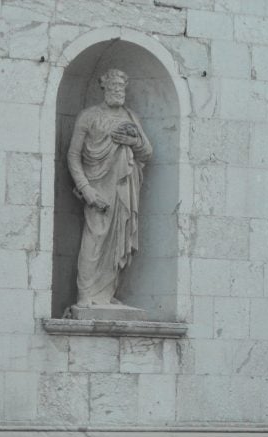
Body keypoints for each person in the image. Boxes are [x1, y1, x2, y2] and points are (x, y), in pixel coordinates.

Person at [67, 69, 153, 308]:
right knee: (95, 238)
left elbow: (148, 152)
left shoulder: (131, 117)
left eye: (121, 88)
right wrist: (86, 189)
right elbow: (73, 155)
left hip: (126, 188)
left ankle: (105, 295)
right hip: (98, 187)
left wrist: (133, 141)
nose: (118, 92)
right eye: (113, 87)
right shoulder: (89, 116)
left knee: (118, 240)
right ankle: (86, 295)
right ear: (104, 88)